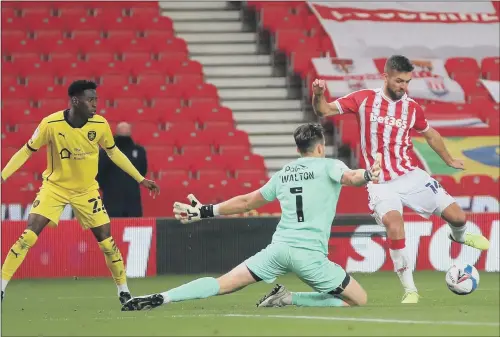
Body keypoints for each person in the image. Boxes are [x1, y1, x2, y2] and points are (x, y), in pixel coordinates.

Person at [121, 123, 381, 312]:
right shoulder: (330, 165)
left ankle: (165, 297)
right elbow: (352, 178)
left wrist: (205, 211)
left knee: (224, 283)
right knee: (358, 299)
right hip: (309, 255)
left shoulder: (283, 174)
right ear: (321, 147)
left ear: (299, 148)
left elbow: (247, 202)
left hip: (278, 249)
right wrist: (368, 174)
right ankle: (289, 299)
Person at [310, 55, 490, 304]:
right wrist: (318, 94)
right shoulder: (364, 99)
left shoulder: (411, 108)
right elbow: (324, 109)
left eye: (407, 82)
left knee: (458, 217)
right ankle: (410, 290)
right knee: (395, 226)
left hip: (411, 175)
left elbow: (431, 134)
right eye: (398, 81)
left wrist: (448, 159)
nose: (403, 86)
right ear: (385, 77)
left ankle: (457, 236)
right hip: (380, 183)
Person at [0, 80, 160, 305]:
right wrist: (3, 175)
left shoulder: (100, 125)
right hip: (55, 188)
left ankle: (124, 292)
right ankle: (2, 287)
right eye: (90, 99)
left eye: (96, 99)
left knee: (106, 240)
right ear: (75, 100)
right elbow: (26, 151)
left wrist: (140, 179)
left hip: (86, 191)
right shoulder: (51, 123)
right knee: (29, 234)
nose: (95, 103)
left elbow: (114, 154)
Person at [97, 122, 147, 217]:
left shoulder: (139, 151)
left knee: (133, 229)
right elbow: (99, 175)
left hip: (132, 200)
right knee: (111, 228)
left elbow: (142, 172)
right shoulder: (105, 152)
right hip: (111, 200)